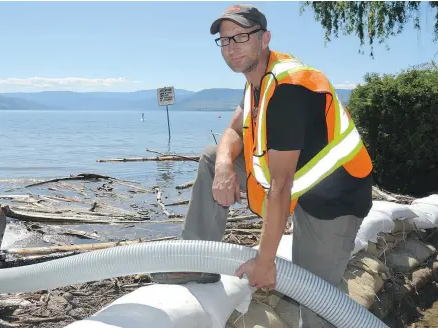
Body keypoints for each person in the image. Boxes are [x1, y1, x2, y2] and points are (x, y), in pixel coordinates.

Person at [150, 4, 374, 327]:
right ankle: (196, 261)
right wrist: (226, 164)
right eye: (225, 41)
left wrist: (264, 262)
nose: (231, 47)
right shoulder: (256, 80)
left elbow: (281, 186)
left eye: (241, 37)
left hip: (333, 201)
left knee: (316, 301)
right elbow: (231, 131)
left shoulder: (287, 89)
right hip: (297, 181)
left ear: (265, 38)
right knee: (214, 157)